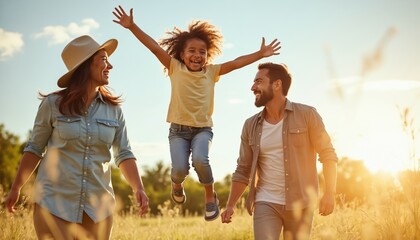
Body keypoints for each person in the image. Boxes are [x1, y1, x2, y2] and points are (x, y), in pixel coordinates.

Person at [112, 6, 281, 222]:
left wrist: (259, 54)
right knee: (180, 169)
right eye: (191, 50)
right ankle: (177, 184)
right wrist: (132, 26)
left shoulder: (211, 72)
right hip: (178, 132)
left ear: (207, 56)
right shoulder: (175, 67)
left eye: (202, 52)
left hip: (203, 130)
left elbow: (236, 63)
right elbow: (154, 48)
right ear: (182, 54)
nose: (197, 55)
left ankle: (210, 196)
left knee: (201, 160)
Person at [4, 35, 149, 239]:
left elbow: (124, 153)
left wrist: (138, 188)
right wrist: (16, 188)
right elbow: (35, 149)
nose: (110, 66)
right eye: (104, 59)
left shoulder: (114, 110)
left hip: (99, 211)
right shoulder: (53, 105)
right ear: (86, 66)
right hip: (53, 206)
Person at [220, 62, 338, 239]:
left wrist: (330, 193)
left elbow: (328, 155)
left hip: (301, 204)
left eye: (259, 81)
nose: (253, 87)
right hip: (265, 202)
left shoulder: (307, 115)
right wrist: (230, 205)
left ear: (277, 85)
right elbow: (243, 168)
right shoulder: (250, 125)